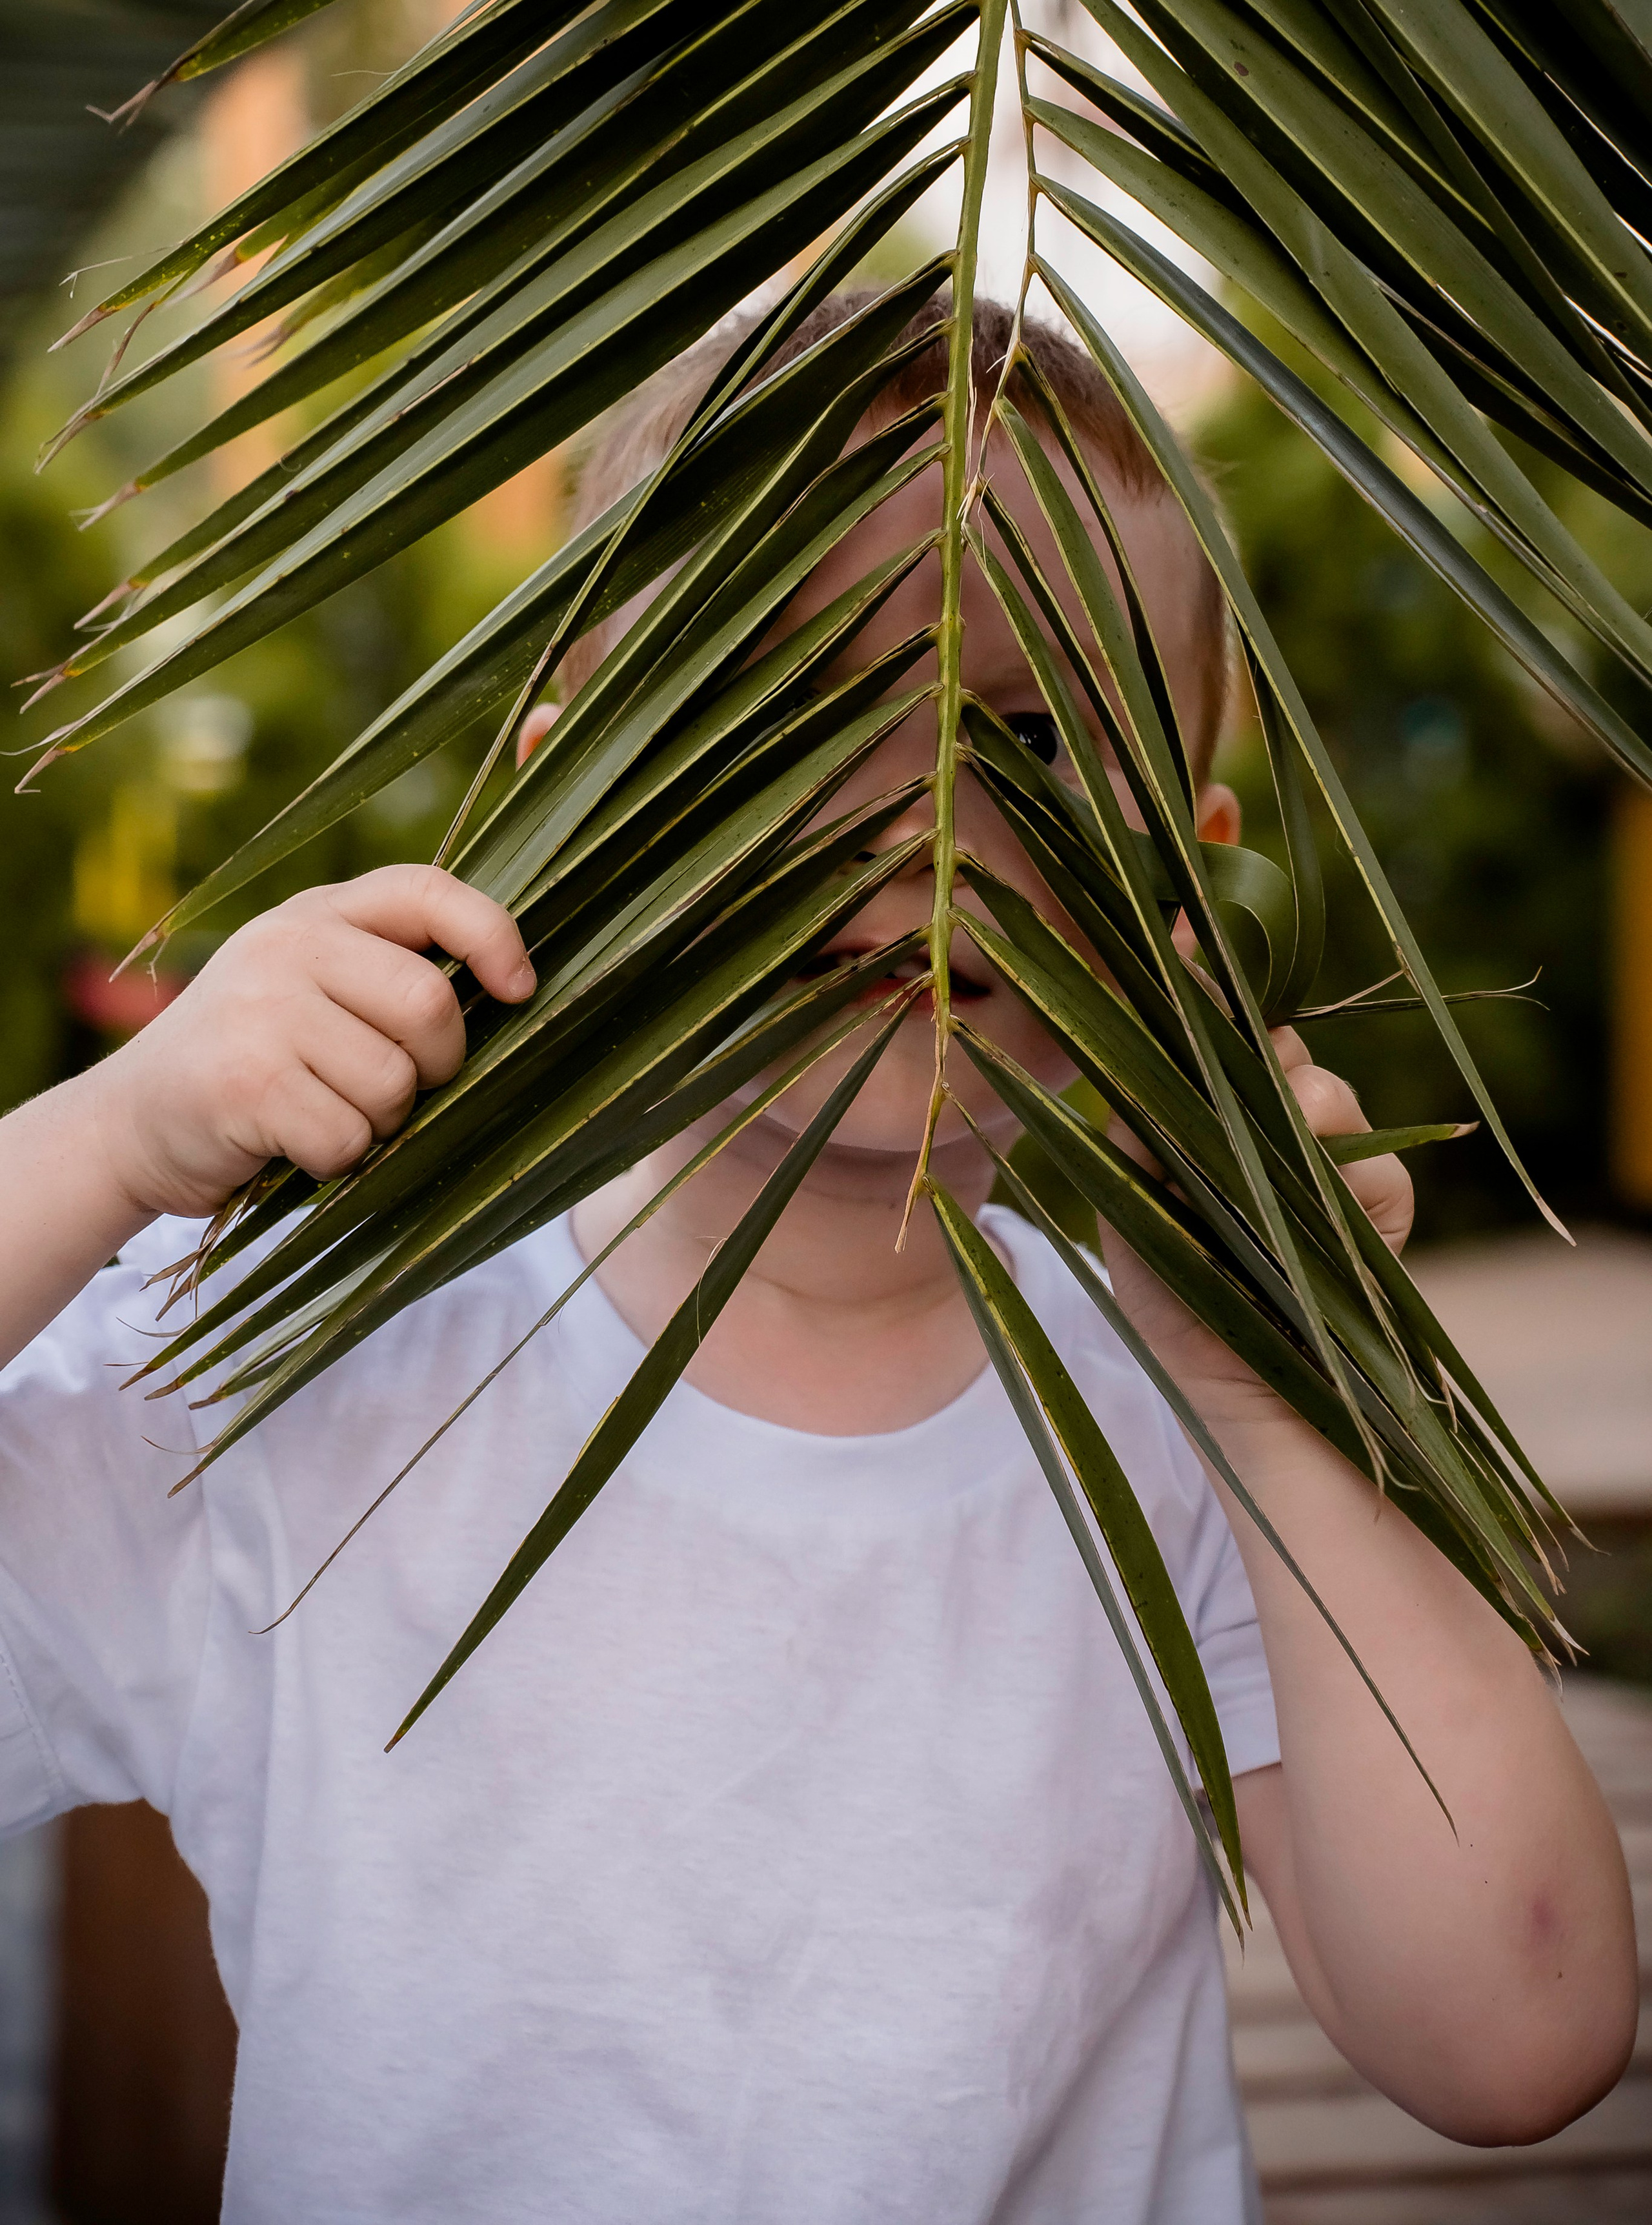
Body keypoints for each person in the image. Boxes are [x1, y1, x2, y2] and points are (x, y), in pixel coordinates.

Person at [0, 294, 1634, 2224]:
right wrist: (104, 1140)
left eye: (1026, 735)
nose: (911, 818)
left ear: (1183, 872)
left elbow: (1521, 2037)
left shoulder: (1170, 1421)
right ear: (570, 793)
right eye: (784, 712)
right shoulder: (322, 1371)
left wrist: (1288, 1407)